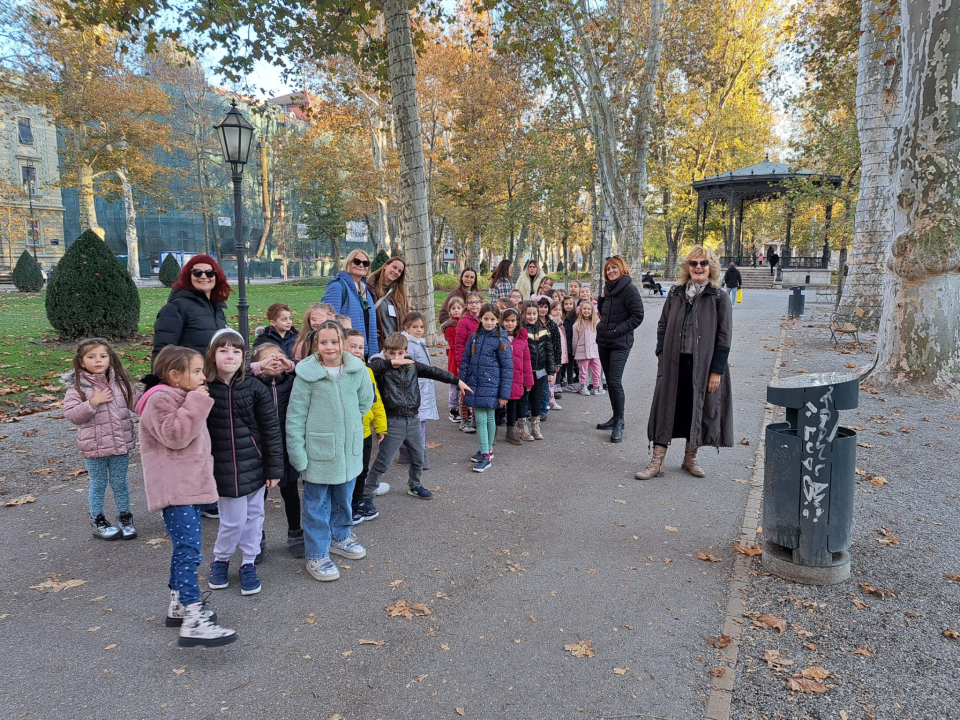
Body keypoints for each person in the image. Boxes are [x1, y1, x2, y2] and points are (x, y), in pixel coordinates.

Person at [137, 345, 236, 647]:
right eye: (195, 371)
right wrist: (195, 402)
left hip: (187, 486)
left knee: (185, 548)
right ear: (174, 375)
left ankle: (178, 605)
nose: (201, 376)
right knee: (189, 551)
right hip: (175, 489)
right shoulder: (160, 400)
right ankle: (193, 617)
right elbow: (175, 436)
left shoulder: (179, 396)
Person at [285, 321, 374, 582]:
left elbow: (365, 400)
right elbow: (295, 416)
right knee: (316, 505)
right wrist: (298, 454)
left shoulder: (356, 370)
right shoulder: (307, 375)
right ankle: (317, 553)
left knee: (343, 499)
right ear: (316, 345)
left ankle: (341, 537)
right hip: (319, 453)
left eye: (334, 341)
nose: (329, 347)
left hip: (348, 451)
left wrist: (349, 427)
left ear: (343, 342)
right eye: (323, 342)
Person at [636, 246, 734, 480]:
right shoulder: (676, 293)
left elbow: (724, 336)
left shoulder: (718, 297)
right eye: (693, 263)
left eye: (703, 263)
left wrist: (716, 371)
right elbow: (663, 325)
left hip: (704, 366)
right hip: (673, 362)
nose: (698, 267)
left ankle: (690, 458)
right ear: (687, 267)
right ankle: (657, 461)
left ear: (710, 268)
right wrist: (661, 353)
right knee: (666, 408)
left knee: (696, 408)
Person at [205, 329, 284, 596]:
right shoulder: (203, 388)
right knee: (232, 521)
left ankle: (248, 563)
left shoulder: (253, 387)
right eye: (223, 350)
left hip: (255, 465)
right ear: (212, 354)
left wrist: (273, 468)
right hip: (223, 468)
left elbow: (271, 429)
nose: (230, 356)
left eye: (236, 351)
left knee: (254, 517)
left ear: (244, 357)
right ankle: (221, 559)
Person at [367, 333, 472, 500]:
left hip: (413, 419)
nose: (397, 357)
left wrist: (457, 380)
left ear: (406, 351)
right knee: (384, 460)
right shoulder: (379, 366)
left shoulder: (412, 365)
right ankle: (368, 491)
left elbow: (434, 372)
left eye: (400, 353)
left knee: (418, 456)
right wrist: (389, 363)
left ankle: (414, 485)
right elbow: (369, 369)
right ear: (385, 352)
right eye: (392, 353)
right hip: (393, 421)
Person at [63, 338, 141, 541]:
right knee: (98, 484)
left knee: (120, 483)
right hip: (94, 448)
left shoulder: (121, 384)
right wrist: (93, 402)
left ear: (110, 359)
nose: (98, 360)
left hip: (120, 445)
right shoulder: (78, 388)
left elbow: (139, 403)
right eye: (91, 356)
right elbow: (72, 415)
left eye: (103, 356)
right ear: (81, 362)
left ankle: (125, 518)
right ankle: (98, 521)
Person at [249, 343, 303, 558]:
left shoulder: (293, 380)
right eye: (268, 359)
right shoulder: (249, 382)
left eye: (279, 357)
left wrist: (291, 365)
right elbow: (232, 372)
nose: (274, 361)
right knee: (257, 498)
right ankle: (256, 537)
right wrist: (256, 368)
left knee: (290, 493)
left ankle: (295, 533)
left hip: (286, 446)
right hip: (259, 449)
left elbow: (310, 366)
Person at [458, 304, 513, 472]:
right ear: (480, 318)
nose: (489, 322)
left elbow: (507, 368)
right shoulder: (474, 337)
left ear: (498, 321)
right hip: (475, 384)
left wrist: (504, 393)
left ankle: (485, 456)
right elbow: (466, 361)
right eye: (486, 319)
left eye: (492, 319)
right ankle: (487, 449)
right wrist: (462, 382)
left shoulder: (501, 340)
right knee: (486, 419)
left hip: (491, 386)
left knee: (484, 419)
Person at [595, 256, 645, 444]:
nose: (611, 271)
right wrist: (601, 296)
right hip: (604, 341)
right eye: (608, 269)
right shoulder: (608, 289)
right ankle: (615, 417)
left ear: (622, 268)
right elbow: (603, 311)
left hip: (620, 342)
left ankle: (620, 421)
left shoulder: (629, 289)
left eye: (614, 268)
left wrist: (617, 331)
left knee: (615, 381)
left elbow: (638, 316)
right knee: (610, 380)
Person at [343, 329, 388, 524]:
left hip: (364, 431)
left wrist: (380, 426)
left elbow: (375, 400)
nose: (357, 351)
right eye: (352, 346)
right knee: (346, 472)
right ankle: (345, 505)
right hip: (345, 432)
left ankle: (357, 502)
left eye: (360, 347)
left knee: (362, 469)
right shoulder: (340, 372)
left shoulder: (367, 371)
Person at [152, 254, 230, 364]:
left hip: (213, 376)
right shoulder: (176, 308)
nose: (204, 277)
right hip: (189, 377)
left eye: (209, 273)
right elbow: (162, 351)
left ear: (216, 277)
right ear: (188, 276)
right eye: (197, 272)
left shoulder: (217, 309)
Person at [398, 312, 439, 470]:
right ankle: (420, 456)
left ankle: (406, 452)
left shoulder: (418, 343)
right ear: (406, 328)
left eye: (421, 327)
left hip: (422, 391)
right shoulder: (409, 346)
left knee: (413, 423)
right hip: (415, 392)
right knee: (417, 424)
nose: (419, 330)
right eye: (415, 327)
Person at [322, 249, 379, 357]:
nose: (361, 265)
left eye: (365, 263)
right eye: (357, 261)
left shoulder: (364, 290)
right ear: (349, 263)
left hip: (362, 352)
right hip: (346, 352)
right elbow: (328, 322)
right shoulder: (337, 287)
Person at [520, 300, 555, 441]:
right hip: (525, 372)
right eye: (528, 314)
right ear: (523, 314)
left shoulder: (543, 330)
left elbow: (549, 351)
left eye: (534, 313)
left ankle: (535, 426)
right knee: (523, 400)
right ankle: (522, 427)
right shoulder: (520, 330)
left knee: (537, 399)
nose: (532, 316)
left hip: (540, 371)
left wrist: (551, 371)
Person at [501, 307, 533, 444]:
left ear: (518, 322)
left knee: (512, 406)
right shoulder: (498, 337)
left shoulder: (522, 339)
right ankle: (493, 431)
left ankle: (510, 432)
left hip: (516, 378)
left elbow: (527, 361)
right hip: (501, 378)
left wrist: (528, 381)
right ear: (501, 321)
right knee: (498, 406)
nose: (510, 324)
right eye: (507, 320)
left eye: (513, 321)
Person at [454, 291, 484, 433]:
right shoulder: (463, 322)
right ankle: (464, 420)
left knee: (476, 391)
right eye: (471, 302)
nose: (474, 305)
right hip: (467, 362)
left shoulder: (483, 320)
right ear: (466, 305)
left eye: (476, 302)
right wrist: (460, 364)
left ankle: (474, 419)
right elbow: (459, 345)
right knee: (465, 391)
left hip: (480, 362)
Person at [367, 256, 408, 347]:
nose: (396, 272)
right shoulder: (369, 288)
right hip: (379, 342)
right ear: (385, 265)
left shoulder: (399, 293)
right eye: (394, 267)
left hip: (396, 344)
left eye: (399, 271)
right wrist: (368, 329)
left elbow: (405, 318)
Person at [536, 297, 563, 417]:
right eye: (540, 306)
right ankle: (535, 408)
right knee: (537, 385)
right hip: (536, 359)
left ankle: (543, 409)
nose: (543, 309)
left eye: (545, 307)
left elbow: (557, 344)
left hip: (549, 359)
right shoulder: (532, 322)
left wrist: (557, 361)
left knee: (546, 385)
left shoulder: (552, 324)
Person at [441, 297, 466, 423]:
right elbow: (454, 344)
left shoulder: (464, 322)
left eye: (459, 308)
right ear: (450, 311)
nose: (456, 311)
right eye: (453, 308)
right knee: (454, 385)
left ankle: (464, 409)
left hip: (464, 356)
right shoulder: (450, 326)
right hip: (455, 358)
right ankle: (453, 409)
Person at [573, 301, 602, 396]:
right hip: (582, 351)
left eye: (589, 309)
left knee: (597, 369)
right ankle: (583, 386)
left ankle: (596, 386)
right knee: (583, 370)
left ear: (592, 311)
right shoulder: (577, 324)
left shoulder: (596, 323)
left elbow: (599, 337)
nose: (586, 311)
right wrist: (575, 352)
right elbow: (575, 340)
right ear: (581, 310)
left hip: (595, 351)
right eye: (584, 309)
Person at [548, 301, 568, 403]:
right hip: (553, 353)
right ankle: (551, 396)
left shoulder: (560, 322)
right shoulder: (553, 323)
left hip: (559, 352)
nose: (558, 312)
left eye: (559, 309)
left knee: (557, 370)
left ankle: (553, 393)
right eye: (555, 310)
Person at [560, 296, 580, 390]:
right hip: (563, 344)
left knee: (570, 364)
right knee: (561, 364)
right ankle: (560, 380)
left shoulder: (575, 316)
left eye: (570, 304)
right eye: (566, 304)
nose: (568, 306)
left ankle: (570, 383)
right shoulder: (561, 316)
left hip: (571, 343)